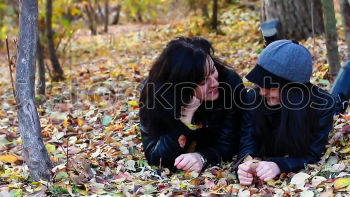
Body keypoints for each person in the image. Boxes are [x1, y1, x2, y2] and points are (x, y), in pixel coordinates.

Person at [237, 40, 336, 185]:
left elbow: (312, 153)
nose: (262, 92)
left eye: (270, 86)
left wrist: (279, 165)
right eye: (260, 84)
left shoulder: (321, 106)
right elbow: (248, 138)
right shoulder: (253, 97)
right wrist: (248, 162)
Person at [139, 37, 245, 172]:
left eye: (212, 71)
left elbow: (229, 143)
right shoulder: (154, 95)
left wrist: (202, 157)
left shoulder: (229, 83)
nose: (215, 83)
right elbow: (156, 159)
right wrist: (184, 118)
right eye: (203, 82)